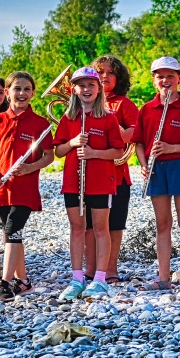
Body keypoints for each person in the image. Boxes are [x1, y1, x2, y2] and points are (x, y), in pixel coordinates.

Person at [133, 56, 180, 290]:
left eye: (170, 76)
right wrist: (144, 164)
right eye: (160, 76)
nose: (165, 80)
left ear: (179, 79)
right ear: (154, 80)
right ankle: (163, 277)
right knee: (162, 223)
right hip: (157, 169)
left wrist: (172, 148)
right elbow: (138, 143)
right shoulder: (147, 109)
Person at [52, 68, 126, 301]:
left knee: (101, 229)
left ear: (98, 89)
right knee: (77, 228)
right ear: (74, 89)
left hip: (100, 181)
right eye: (81, 85)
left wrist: (94, 152)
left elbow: (118, 151)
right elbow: (58, 151)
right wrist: (73, 142)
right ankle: (77, 278)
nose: (86, 89)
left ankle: (100, 279)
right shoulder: (68, 118)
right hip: (73, 181)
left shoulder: (108, 117)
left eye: (91, 85)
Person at [0, 71, 54, 301]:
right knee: (11, 233)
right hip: (3, 188)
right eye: (17, 88)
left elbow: (49, 156)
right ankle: (23, 282)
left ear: (33, 93)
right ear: (7, 92)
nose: (21, 93)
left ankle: (5, 283)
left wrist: (30, 168)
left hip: (25, 188)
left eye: (26, 89)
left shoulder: (40, 123)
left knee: (13, 230)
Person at [89, 55, 138, 284]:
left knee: (115, 224)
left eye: (110, 72)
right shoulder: (84, 102)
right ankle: (90, 269)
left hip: (117, 174)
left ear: (118, 77)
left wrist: (109, 129)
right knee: (90, 224)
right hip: (88, 173)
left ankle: (110, 268)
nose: (105, 77)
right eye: (100, 73)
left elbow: (135, 134)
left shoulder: (123, 104)